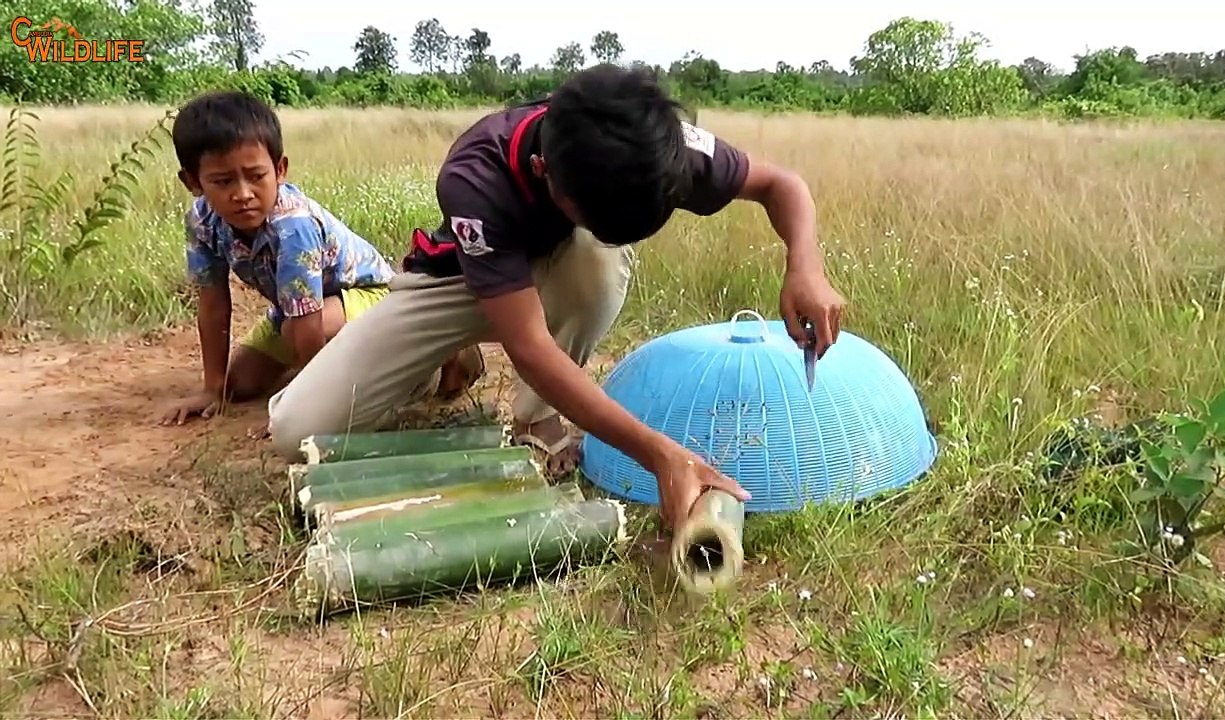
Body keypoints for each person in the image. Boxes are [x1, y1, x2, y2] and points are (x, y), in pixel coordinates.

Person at [266, 65, 846, 530]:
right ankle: (443, 361)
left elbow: (781, 185)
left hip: (560, 268)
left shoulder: (655, 146)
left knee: (593, 260)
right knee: (297, 429)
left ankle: (539, 422)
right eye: (592, 215)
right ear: (544, 173)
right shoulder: (476, 176)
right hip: (462, 277)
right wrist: (661, 454)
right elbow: (529, 347)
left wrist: (806, 264)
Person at [157, 89, 482, 426]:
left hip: (372, 296)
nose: (242, 194)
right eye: (223, 181)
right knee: (239, 385)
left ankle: (446, 355)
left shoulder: (293, 226)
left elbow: (308, 321)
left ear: (280, 170)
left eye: (256, 176)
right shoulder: (202, 221)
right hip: (297, 309)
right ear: (193, 182)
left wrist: (306, 412)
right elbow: (213, 302)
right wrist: (212, 387)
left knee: (301, 334)